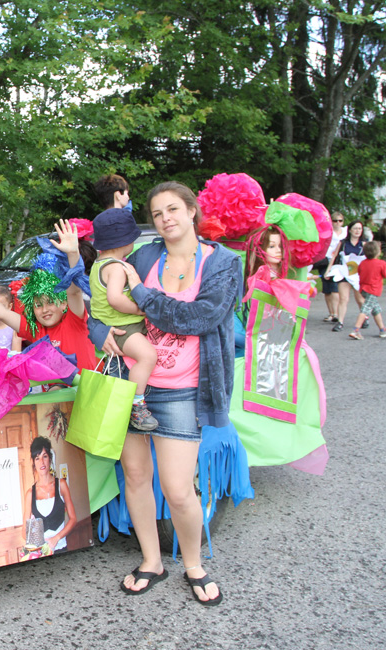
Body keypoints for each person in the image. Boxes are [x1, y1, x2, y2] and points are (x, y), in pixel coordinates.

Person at [90, 181, 241, 606]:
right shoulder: (144, 256)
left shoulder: (222, 263)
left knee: (177, 489)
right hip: (131, 381)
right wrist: (100, 331)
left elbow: (199, 318)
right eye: (157, 214)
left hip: (182, 389)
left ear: (192, 210)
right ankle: (152, 560)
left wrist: (141, 294)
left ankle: (194, 565)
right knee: (136, 477)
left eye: (173, 209)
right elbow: (100, 300)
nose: (165, 219)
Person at [0, 220, 98, 372]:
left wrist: (73, 253)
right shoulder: (35, 328)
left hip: (83, 386)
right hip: (52, 387)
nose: (45, 310)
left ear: (63, 303)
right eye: (38, 305)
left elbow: (74, 292)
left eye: (50, 302)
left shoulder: (74, 320)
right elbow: (2, 313)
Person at [89, 209, 158, 430]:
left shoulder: (98, 265)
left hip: (112, 326)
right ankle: (137, 404)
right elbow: (115, 299)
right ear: (125, 242)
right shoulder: (117, 267)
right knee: (147, 356)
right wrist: (139, 310)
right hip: (123, 327)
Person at [22, 437, 77, 554]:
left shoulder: (61, 485)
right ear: (33, 462)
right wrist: (36, 537)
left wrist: (56, 538)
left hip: (62, 548)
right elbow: (24, 532)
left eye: (45, 456)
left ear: (50, 458)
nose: (41, 462)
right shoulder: (30, 494)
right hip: (41, 552)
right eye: (37, 458)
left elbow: (73, 519)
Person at [326, 219, 367, 331]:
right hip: (344, 273)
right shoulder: (343, 243)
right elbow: (334, 257)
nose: (357, 231)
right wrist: (328, 271)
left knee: (360, 299)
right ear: (350, 230)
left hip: (358, 275)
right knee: (343, 298)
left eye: (359, 229)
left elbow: (369, 259)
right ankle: (340, 322)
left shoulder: (364, 244)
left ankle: (364, 317)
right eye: (355, 228)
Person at [349, 241, 386, 339]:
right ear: (378, 252)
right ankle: (356, 330)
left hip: (364, 289)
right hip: (373, 290)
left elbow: (360, 273)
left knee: (376, 309)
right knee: (365, 309)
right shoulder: (381, 263)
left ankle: (382, 330)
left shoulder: (362, 263)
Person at [317, 211, 347, 322]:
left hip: (338, 261)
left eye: (340, 221)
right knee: (327, 289)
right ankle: (331, 313)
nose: (338, 223)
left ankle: (336, 313)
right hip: (325, 260)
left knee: (335, 288)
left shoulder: (345, 232)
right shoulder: (327, 232)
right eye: (335, 221)